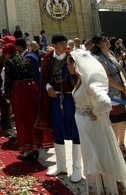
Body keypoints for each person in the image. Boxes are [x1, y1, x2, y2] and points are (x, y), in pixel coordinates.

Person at [68, 49, 126, 195]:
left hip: (92, 126)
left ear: (76, 64)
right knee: (93, 158)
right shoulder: (81, 80)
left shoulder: (90, 81)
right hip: (85, 126)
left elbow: (104, 101)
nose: (68, 67)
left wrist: (96, 113)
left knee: (98, 159)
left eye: (69, 64)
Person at [36, 34, 81, 183]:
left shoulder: (72, 57)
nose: (65, 46)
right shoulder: (48, 58)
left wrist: (74, 74)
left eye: (65, 43)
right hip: (55, 100)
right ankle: (61, 166)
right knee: (57, 130)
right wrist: (48, 87)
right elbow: (44, 78)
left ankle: (77, 169)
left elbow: (81, 78)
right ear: (54, 45)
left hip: (70, 100)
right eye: (61, 43)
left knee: (75, 131)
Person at [2, 38, 47, 160]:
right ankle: (35, 146)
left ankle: (27, 149)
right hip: (30, 90)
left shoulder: (10, 62)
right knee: (32, 118)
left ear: (8, 53)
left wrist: (6, 96)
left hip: (19, 92)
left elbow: (8, 81)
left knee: (21, 121)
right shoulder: (26, 59)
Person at [90, 35, 126, 161]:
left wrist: (125, 84)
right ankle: (114, 148)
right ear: (98, 44)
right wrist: (120, 87)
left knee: (122, 119)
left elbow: (120, 70)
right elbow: (106, 78)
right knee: (114, 121)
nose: (107, 41)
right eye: (104, 40)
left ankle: (121, 144)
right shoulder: (98, 59)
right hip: (111, 94)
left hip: (120, 91)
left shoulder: (110, 54)